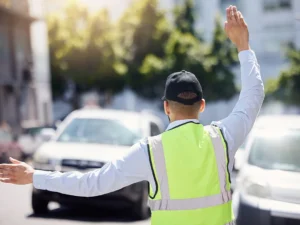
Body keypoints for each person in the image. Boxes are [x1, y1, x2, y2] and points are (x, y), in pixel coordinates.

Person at [0, 6, 264, 225]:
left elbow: (91, 183)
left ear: (166, 107)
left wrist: (35, 176)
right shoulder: (223, 139)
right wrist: (243, 46)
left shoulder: (150, 151)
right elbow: (253, 95)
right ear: (202, 105)